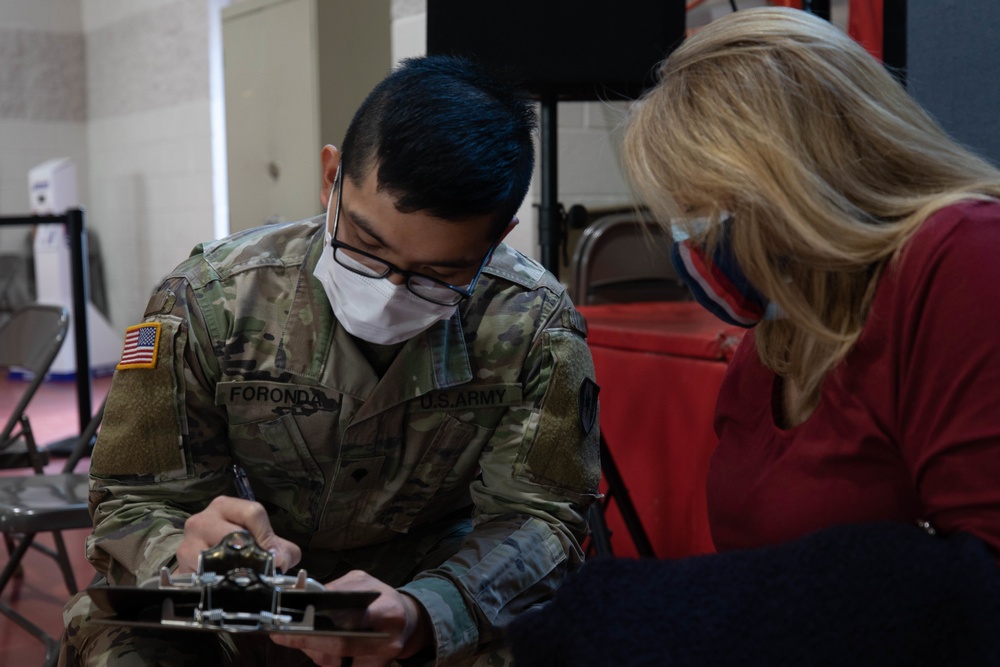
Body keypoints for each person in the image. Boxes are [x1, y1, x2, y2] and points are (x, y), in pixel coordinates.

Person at [61, 54, 601, 666]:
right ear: (331, 178)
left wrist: (429, 610)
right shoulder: (211, 300)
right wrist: (187, 553)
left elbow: (540, 518)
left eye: (438, 274)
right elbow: (133, 499)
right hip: (231, 606)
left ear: (498, 236)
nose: (391, 289)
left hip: (432, 598)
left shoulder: (533, 324)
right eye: (367, 246)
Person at [507, 7, 1000, 666]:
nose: (687, 240)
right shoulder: (773, 346)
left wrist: (625, 610)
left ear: (791, 182)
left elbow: (979, 586)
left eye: (698, 207)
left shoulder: (961, 258)